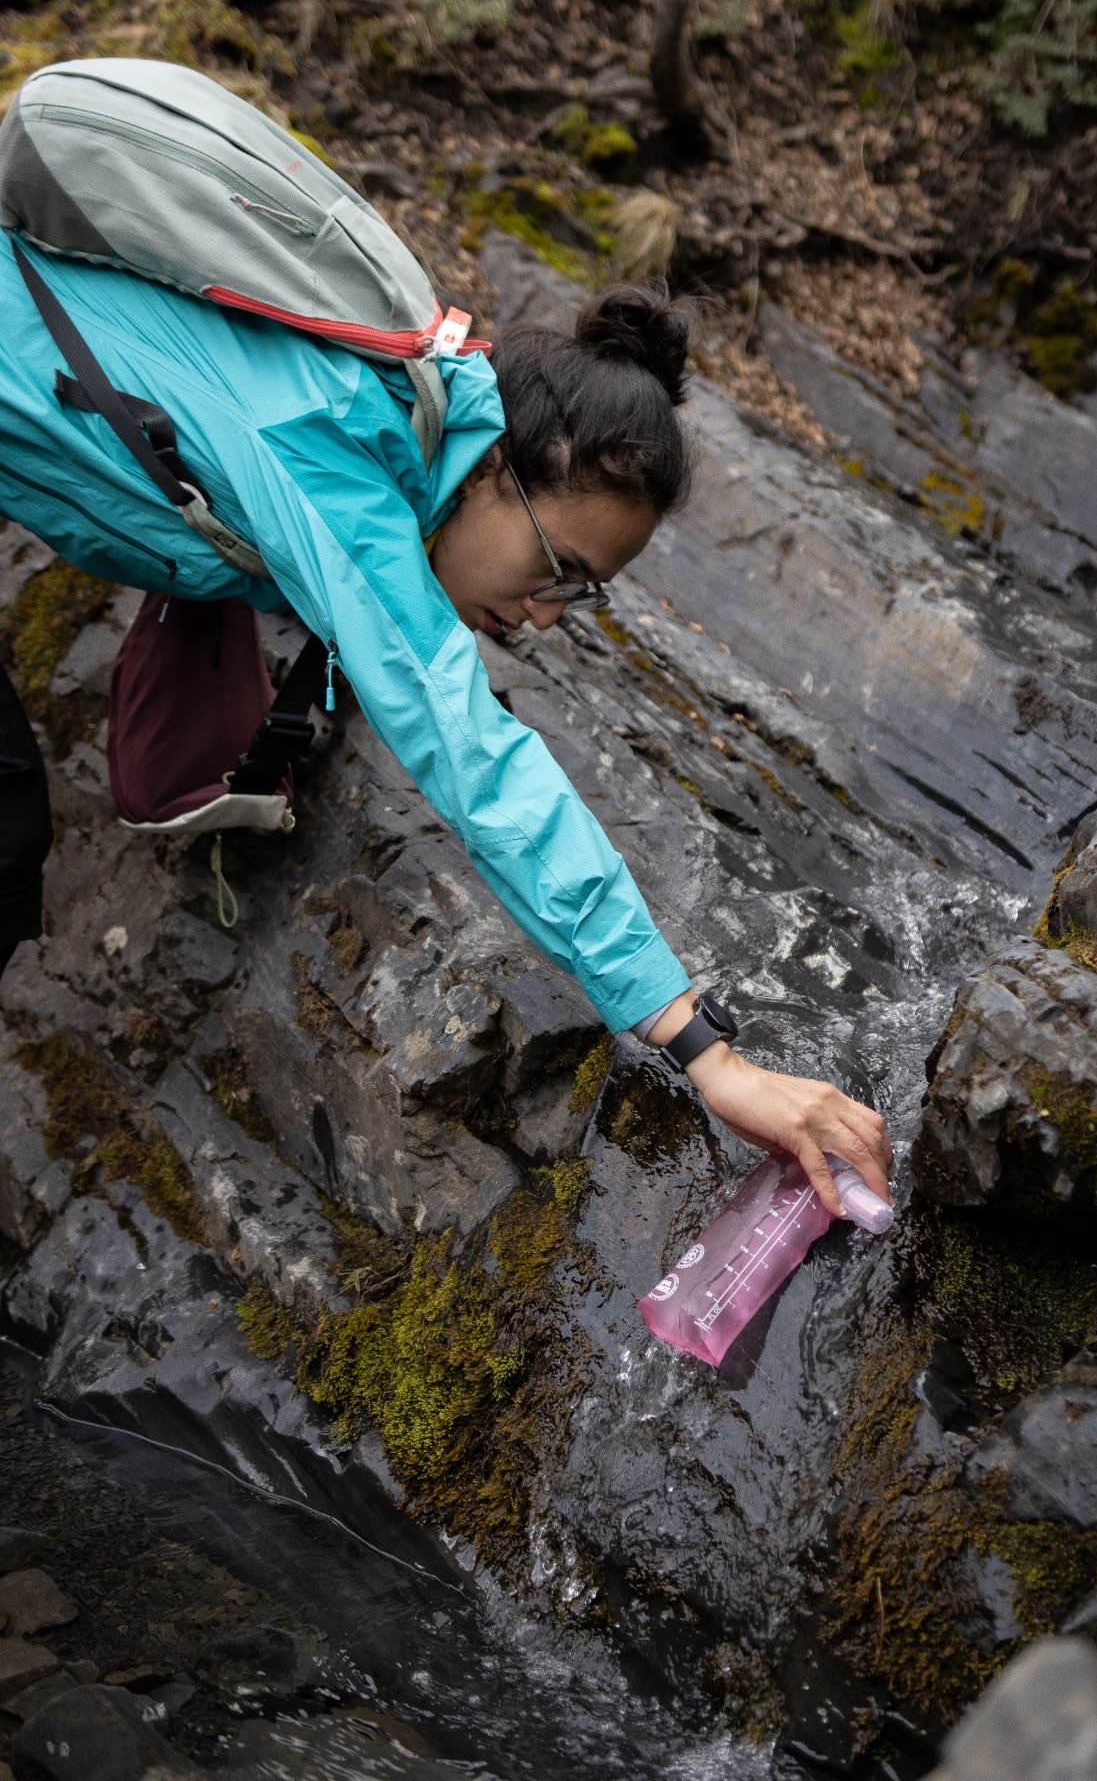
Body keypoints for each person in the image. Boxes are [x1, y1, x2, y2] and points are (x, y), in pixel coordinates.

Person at [0, 237, 891, 1218]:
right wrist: (704, 1052)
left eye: (582, 596)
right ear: (494, 471)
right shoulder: (338, 456)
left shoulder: (406, 384)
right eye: (562, 570)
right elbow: (471, 751)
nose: (549, 615)